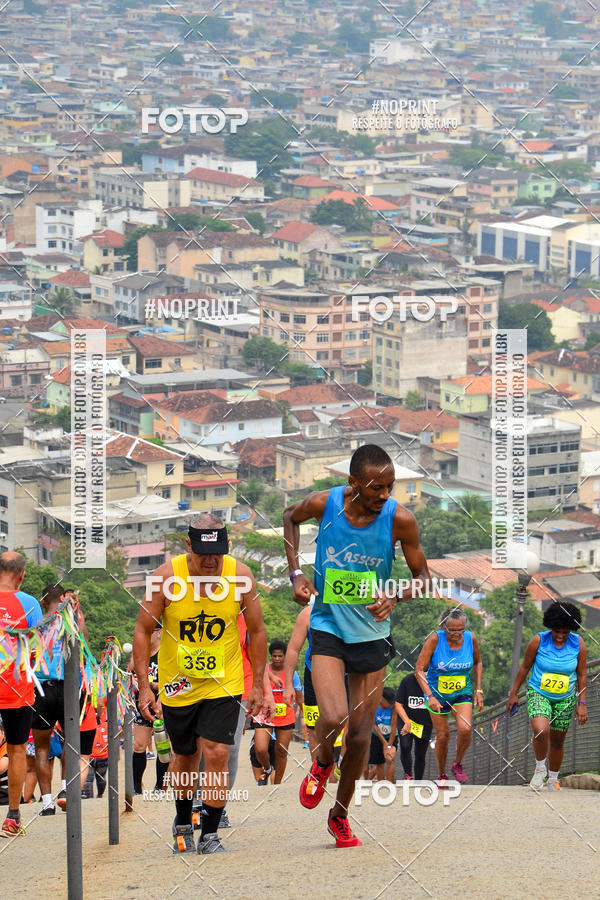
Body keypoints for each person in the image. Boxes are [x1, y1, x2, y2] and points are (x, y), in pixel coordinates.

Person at [283, 443, 431, 848]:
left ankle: (340, 816)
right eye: (375, 488)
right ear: (353, 483)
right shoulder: (323, 504)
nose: (384, 495)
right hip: (329, 626)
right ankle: (322, 762)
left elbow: (424, 577)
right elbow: (288, 518)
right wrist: (296, 573)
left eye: (389, 486)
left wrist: (396, 595)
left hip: (372, 635)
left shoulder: (400, 519)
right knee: (331, 718)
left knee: (362, 741)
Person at [133, 514, 268, 855]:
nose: (211, 561)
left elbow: (258, 630)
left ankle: (210, 832)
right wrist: (146, 687)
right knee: (186, 756)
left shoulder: (240, 576)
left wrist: (258, 685)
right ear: (189, 545)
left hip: (224, 681)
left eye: (218, 553)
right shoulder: (165, 578)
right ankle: (181, 821)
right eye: (204, 553)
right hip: (178, 684)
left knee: (219, 753)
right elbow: (142, 631)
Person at [507, 600, 587, 791]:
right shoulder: (538, 640)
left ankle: (553, 779)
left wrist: (581, 703)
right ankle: (540, 769)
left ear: (571, 631)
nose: (560, 636)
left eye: (564, 633)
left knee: (558, 741)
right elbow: (525, 667)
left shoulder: (578, 644)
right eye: (556, 631)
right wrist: (513, 694)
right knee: (541, 730)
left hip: (565, 698)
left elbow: (582, 674)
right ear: (550, 627)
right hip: (539, 693)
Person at [415, 607, 483, 788]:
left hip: (462, 692)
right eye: (451, 630)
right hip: (436, 694)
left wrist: (478, 690)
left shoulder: (470, 638)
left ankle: (457, 764)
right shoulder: (435, 639)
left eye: (460, 629)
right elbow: (419, 670)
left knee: (465, 729)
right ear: (444, 626)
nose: (455, 634)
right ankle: (442, 774)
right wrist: (429, 696)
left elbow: (477, 662)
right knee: (443, 735)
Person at [0, 551, 43, 837]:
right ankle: (12, 817)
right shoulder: (29, 603)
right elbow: (38, 648)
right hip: (17, 686)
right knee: (16, 749)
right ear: (22, 575)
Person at [254, 640, 303, 785]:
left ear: (285, 656)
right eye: (274, 656)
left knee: (281, 751)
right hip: (265, 714)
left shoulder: (291, 674)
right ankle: (268, 768)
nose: (277, 659)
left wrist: (305, 712)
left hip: (285, 716)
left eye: (280, 656)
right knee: (261, 748)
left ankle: (277, 784)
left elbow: (299, 695)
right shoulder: (264, 671)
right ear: (270, 656)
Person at [129, 626, 168, 794]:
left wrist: (152, 685)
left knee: (163, 747)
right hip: (143, 703)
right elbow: (129, 673)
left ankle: (160, 786)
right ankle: (136, 788)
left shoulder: (166, 652)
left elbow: (174, 679)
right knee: (138, 746)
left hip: (162, 702)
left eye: (149, 631)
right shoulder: (141, 653)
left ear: (158, 633)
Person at [284, 604, 320, 758]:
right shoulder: (308, 613)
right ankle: (318, 773)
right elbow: (293, 649)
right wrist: (288, 685)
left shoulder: (352, 608)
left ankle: (339, 766)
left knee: (343, 724)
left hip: (345, 675)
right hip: (313, 674)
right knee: (313, 727)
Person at [392, 673, 432, 781]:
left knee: (420, 753)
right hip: (406, 720)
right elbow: (398, 703)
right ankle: (408, 775)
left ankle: (418, 781)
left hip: (425, 723)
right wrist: (407, 721)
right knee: (405, 746)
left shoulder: (434, 681)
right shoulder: (407, 680)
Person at [366, 687, 397, 782]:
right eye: (390, 702)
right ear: (382, 699)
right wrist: (384, 742)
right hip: (376, 736)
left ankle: (390, 784)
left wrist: (389, 745)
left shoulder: (394, 707)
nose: (391, 704)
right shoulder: (373, 705)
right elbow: (374, 725)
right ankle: (380, 784)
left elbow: (394, 725)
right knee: (379, 763)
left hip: (391, 736)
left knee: (389, 758)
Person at [83, 704, 108, 799]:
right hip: (92, 757)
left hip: (101, 757)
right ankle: (91, 797)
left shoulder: (106, 726)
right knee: (90, 779)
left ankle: (97, 795)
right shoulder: (88, 727)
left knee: (99, 779)